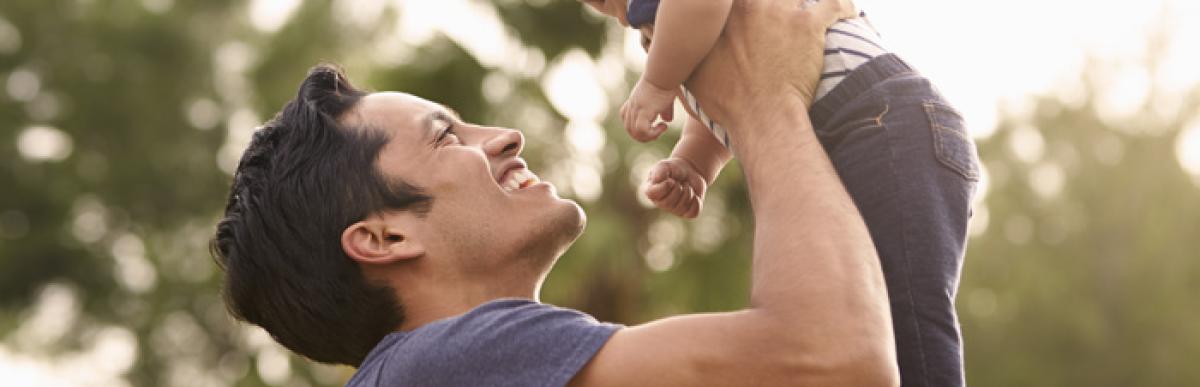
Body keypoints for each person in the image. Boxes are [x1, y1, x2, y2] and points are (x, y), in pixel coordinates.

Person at [210, 0, 898, 385]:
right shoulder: (450, 363)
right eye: (447, 136)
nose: (505, 136)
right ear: (384, 237)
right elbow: (834, 361)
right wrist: (765, 101)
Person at [581, 0, 980, 385]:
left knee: (903, 310)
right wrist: (693, 163)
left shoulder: (669, 20)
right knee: (848, 316)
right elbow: (724, 88)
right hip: (852, 133)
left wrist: (656, 82)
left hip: (878, 120)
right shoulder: (669, 33)